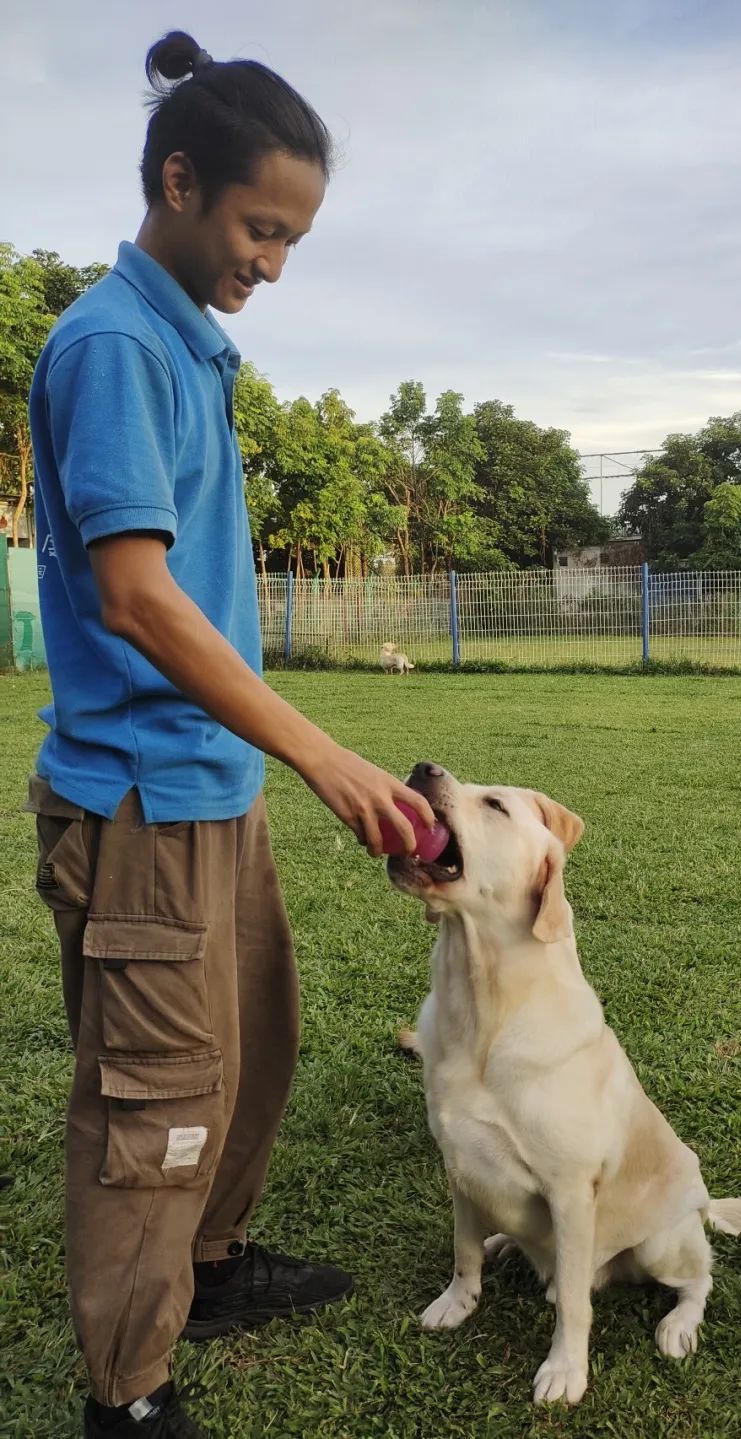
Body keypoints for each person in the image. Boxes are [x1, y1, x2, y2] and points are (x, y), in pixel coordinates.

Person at [26, 31, 435, 1439]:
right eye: (263, 229)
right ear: (180, 181)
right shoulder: (115, 345)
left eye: (294, 237)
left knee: (246, 1049)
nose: (274, 262)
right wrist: (324, 753)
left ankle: (204, 1266)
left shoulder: (187, 348)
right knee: (153, 1105)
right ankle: (127, 1399)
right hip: (141, 802)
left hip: (208, 784)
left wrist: (274, 762)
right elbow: (136, 597)